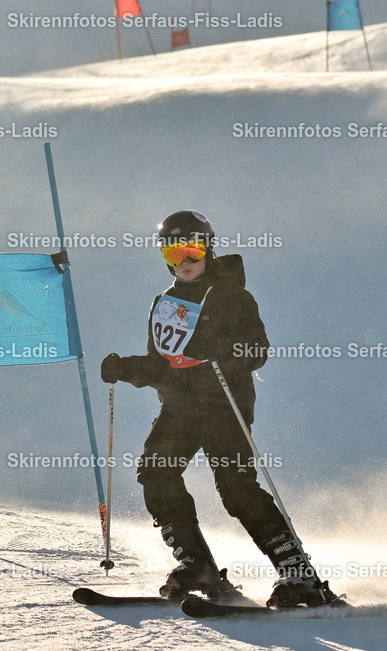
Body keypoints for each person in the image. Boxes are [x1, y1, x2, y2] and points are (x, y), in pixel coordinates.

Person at [100, 210, 339, 608]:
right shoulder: (163, 302)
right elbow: (161, 365)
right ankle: (197, 565)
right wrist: (125, 368)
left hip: (223, 401)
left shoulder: (231, 296)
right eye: (174, 253)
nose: (185, 261)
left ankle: (298, 575)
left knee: (235, 488)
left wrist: (221, 351)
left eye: (192, 249)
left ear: (208, 248)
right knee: (156, 473)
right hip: (179, 404)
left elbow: (256, 351)